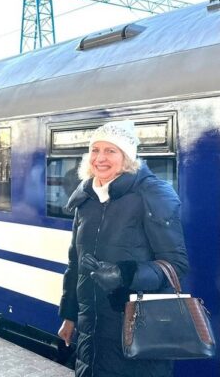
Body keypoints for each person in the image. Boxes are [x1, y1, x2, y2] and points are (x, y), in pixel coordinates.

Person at [57, 120, 190, 377]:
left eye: (111, 151)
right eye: (95, 150)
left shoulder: (152, 194)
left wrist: (124, 275)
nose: (100, 158)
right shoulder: (86, 198)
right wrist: (70, 316)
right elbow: (75, 265)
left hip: (137, 330)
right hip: (91, 333)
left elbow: (176, 265)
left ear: (127, 157)